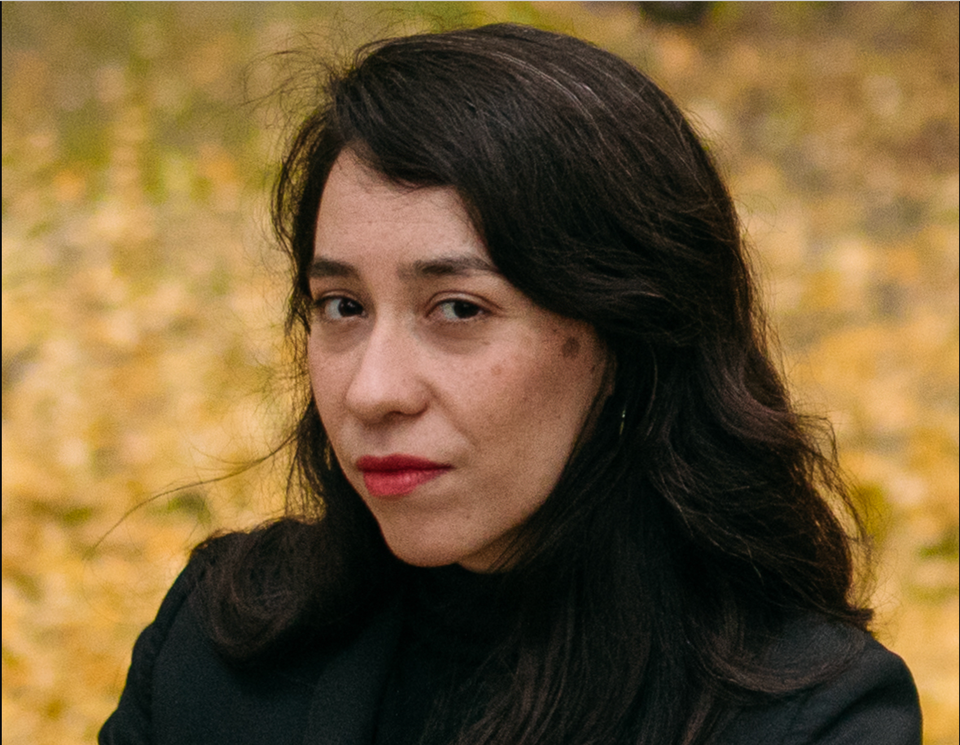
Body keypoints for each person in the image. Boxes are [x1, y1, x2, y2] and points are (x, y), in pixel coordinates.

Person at [99, 23, 922, 745]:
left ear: (629, 341)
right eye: (342, 305)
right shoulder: (217, 647)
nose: (372, 389)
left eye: (458, 309)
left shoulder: (809, 718)